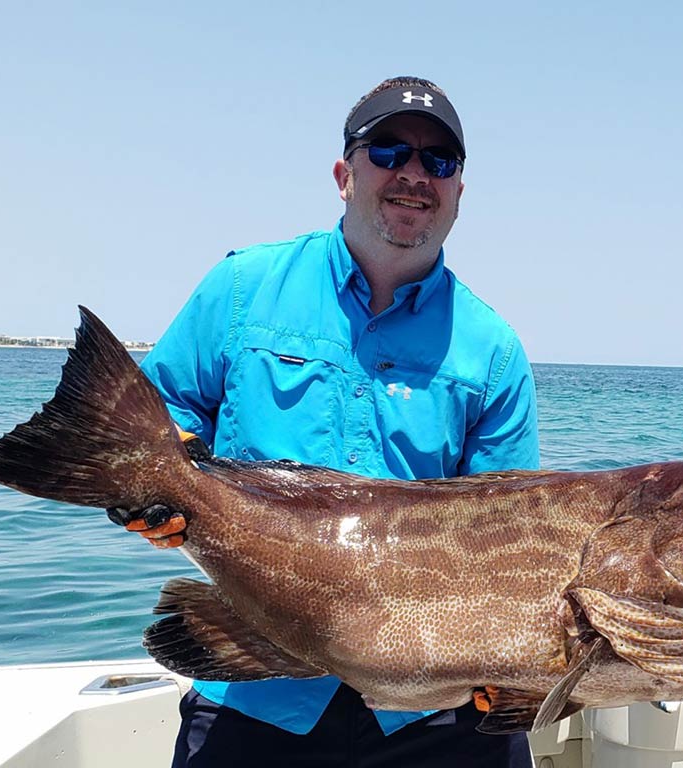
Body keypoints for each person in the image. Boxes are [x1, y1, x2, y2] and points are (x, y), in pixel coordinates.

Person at [112, 77, 539, 768]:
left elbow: (511, 536)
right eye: (390, 150)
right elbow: (150, 421)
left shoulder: (493, 350)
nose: (413, 174)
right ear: (344, 174)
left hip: (432, 709)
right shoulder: (243, 287)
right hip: (254, 681)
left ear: (459, 190)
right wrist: (151, 487)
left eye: (439, 161)